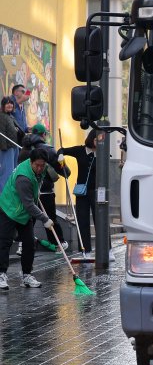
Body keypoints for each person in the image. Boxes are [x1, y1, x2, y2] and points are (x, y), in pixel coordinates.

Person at [0, 148, 52, 290]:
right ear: (31, 162)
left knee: (29, 243)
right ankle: (1, 274)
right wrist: (44, 218)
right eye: (37, 165)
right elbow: (28, 204)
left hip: (23, 212)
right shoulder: (23, 177)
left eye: (43, 165)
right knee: (4, 241)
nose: (40, 168)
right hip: (9, 208)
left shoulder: (42, 168)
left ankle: (27, 275)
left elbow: (52, 176)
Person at [59, 129, 112, 258]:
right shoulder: (80, 150)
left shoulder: (102, 152)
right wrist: (60, 157)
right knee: (82, 221)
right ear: (91, 138)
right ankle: (86, 251)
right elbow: (62, 150)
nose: (99, 142)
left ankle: (108, 250)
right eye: (96, 139)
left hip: (97, 192)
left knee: (101, 221)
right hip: (82, 191)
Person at [19, 124, 69, 250]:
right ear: (44, 135)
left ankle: (22, 245)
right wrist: (62, 161)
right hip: (45, 191)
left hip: (29, 191)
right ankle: (58, 243)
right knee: (49, 218)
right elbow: (65, 172)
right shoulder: (49, 150)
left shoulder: (24, 150)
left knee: (29, 218)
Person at [0, 96, 22, 191]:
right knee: (7, 172)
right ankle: (4, 194)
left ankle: (10, 192)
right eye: (7, 103)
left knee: (13, 171)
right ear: (3, 105)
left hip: (14, 146)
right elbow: (2, 132)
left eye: (11, 103)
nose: (9, 105)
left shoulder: (11, 117)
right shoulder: (2, 116)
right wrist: (3, 148)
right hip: (7, 148)